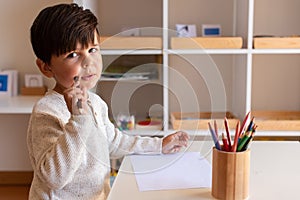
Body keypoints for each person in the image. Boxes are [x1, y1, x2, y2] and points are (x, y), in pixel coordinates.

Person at [27, 3, 189, 200]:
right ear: (45, 67)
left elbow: (114, 142)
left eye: (93, 50)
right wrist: (78, 120)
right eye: (73, 55)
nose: (88, 62)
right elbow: (54, 177)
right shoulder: (47, 112)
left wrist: (158, 145)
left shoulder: (94, 102)